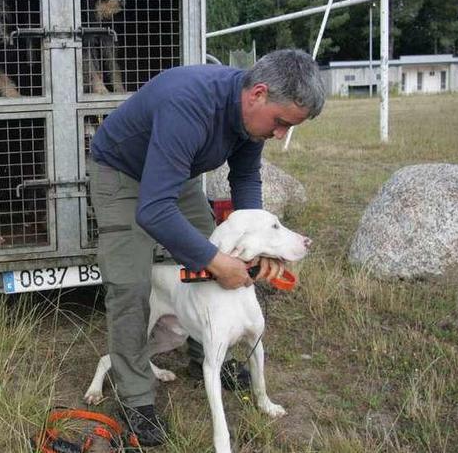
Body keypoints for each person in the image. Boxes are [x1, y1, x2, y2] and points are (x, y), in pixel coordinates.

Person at [88, 49, 325, 446]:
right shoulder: (191, 104)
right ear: (258, 94)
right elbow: (153, 211)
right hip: (122, 172)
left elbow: (246, 179)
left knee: (215, 255)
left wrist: (258, 249)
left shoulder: (252, 121)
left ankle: (206, 356)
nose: (281, 134)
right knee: (130, 284)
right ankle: (136, 398)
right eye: (281, 123)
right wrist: (216, 261)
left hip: (174, 175)